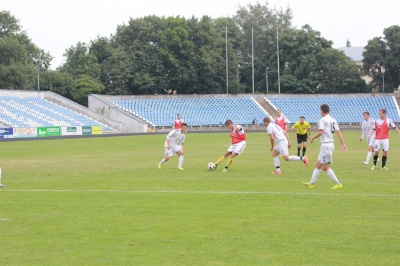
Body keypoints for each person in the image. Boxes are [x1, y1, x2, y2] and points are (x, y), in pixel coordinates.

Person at [303, 104, 347, 189]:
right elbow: (338, 132)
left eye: (320, 110)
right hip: (330, 144)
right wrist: (343, 144)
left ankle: (338, 184)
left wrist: (313, 138)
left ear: (322, 110)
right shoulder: (333, 120)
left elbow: (320, 132)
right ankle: (311, 183)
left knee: (325, 167)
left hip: (326, 145)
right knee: (318, 164)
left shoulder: (323, 120)